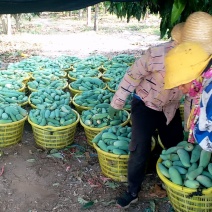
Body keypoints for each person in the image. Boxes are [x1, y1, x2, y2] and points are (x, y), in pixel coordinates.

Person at [108, 11, 212, 209]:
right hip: (145, 104)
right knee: (139, 149)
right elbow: (132, 75)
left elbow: (192, 97)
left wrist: (189, 126)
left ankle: (174, 183)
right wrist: (117, 102)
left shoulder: (198, 63)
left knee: (178, 144)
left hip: (170, 108)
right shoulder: (156, 54)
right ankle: (132, 191)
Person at [164, 42, 212, 151]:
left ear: (193, 76)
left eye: (182, 83)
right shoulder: (206, 83)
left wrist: (197, 134)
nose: (180, 88)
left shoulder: (209, 93)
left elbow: (209, 142)